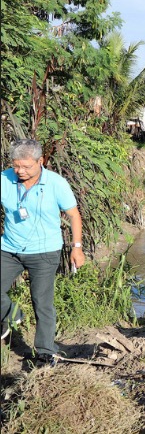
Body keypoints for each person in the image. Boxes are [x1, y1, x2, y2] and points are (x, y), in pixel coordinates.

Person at [1, 139, 86, 365]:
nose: (19, 171)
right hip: (9, 249)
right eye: (16, 165)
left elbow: (74, 215)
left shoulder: (56, 184)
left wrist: (77, 248)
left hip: (45, 252)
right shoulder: (4, 179)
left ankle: (46, 352)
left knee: (42, 302)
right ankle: (11, 313)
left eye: (26, 166)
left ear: (41, 161)